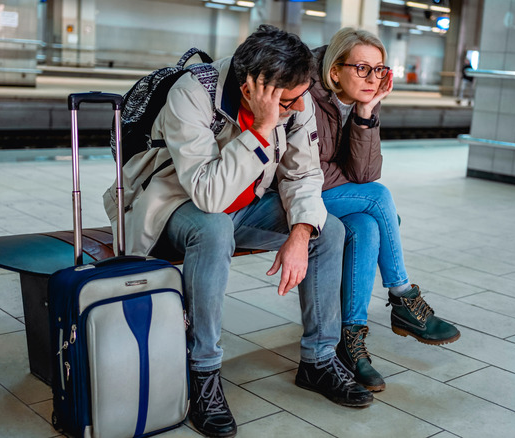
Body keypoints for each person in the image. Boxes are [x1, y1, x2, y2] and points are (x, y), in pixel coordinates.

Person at [103, 25, 372, 438]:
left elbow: (303, 174)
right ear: (250, 89)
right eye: (289, 101)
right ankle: (203, 371)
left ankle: (318, 360)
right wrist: (262, 129)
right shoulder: (193, 94)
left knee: (327, 230)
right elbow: (208, 195)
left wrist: (301, 233)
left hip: (245, 206)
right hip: (173, 205)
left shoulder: (295, 96)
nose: (300, 106)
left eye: (301, 96)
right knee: (214, 230)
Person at [310, 27, 461, 392]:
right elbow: (308, 172)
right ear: (335, 71)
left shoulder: (361, 99)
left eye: (379, 69)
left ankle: (351, 342)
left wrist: (365, 112)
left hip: (331, 194)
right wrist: (348, 176)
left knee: (368, 226)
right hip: (291, 195)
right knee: (378, 199)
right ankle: (403, 296)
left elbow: (363, 173)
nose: (373, 78)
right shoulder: (307, 96)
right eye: (362, 68)